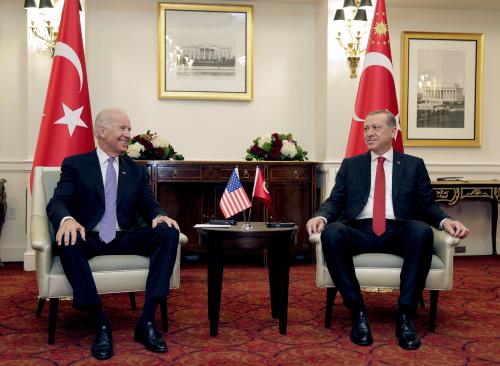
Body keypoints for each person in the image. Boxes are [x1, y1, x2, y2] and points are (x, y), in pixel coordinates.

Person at [306, 109, 469, 350]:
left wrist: (446, 222)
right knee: (332, 233)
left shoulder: (414, 165)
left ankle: (405, 314)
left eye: (375, 128)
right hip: (360, 230)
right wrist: (321, 216)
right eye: (365, 129)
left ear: (393, 132)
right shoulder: (351, 165)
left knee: (421, 231)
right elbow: (336, 201)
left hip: (398, 230)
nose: (369, 133)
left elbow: (428, 205)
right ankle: (358, 310)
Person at [47, 108, 180, 360]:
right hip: (91, 237)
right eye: (122, 128)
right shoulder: (76, 165)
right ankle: (100, 322)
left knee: (168, 231)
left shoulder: (136, 170)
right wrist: (67, 219)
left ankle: (147, 321)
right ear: (102, 131)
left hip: (125, 237)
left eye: (129, 129)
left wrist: (158, 215)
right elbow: (58, 201)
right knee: (68, 239)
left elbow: (148, 204)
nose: (128, 134)